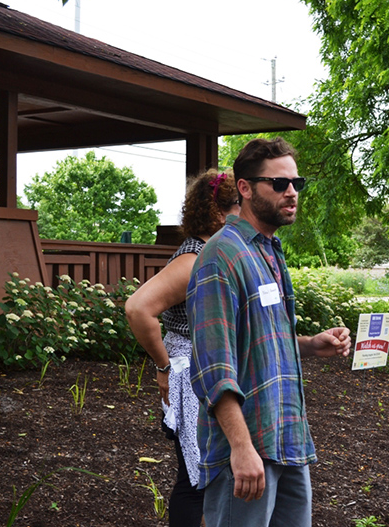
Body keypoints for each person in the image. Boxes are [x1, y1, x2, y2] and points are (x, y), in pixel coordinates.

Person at [186, 137, 352, 527]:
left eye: (297, 183)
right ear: (244, 188)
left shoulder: (268, 250)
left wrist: (310, 345)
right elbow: (215, 366)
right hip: (247, 452)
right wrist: (241, 448)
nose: (291, 192)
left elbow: (258, 339)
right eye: (278, 184)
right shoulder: (220, 257)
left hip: (287, 440)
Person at [125, 168, 239, 527]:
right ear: (220, 213)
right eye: (241, 205)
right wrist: (163, 366)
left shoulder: (213, 252)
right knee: (197, 481)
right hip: (192, 374)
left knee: (210, 477)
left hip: (209, 370)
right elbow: (137, 308)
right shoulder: (193, 260)